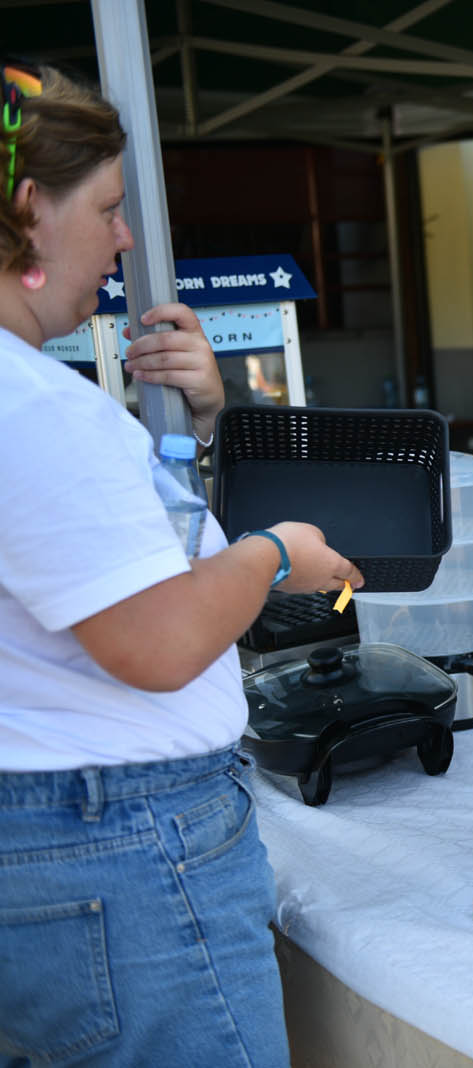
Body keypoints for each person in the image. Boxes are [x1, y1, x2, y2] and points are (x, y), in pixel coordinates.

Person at [0, 62, 361, 1066]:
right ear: (30, 211)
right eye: (109, 209)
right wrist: (273, 552)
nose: (125, 240)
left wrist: (211, 420)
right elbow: (156, 642)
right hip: (119, 847)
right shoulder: (33, 404)